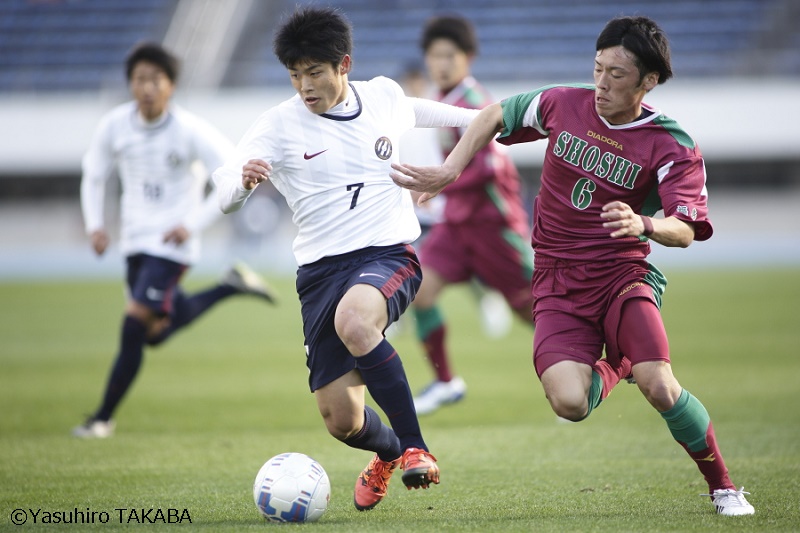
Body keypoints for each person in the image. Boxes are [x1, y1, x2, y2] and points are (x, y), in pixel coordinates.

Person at [391, 15, 755, 516]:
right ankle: (618, 360)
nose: (602, 84)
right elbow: (496, 113)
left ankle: (724, 487)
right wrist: (451, 169)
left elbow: (686, 228)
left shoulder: (671, 143)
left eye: (617, 75)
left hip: (622, 276)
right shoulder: (564, 102)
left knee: (658, 384)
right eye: (598, 68)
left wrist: (645, 225)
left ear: (648, 82)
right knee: (570, 403)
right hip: (557, 280)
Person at [212, 7, 479, 512]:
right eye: (294, 75)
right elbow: (223, 185)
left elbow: (447, 115)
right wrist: (241, 185)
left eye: (314, 72)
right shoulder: (278, 125)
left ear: (344, 65)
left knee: (356, 321)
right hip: (319, 274)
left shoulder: (382, 97)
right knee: (342, 420)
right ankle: (391, 452)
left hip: (388, 253)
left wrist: (507, 119)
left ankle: (418, 447)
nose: (303, 86)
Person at [73, 43, 276, 439]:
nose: (146, 87)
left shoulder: (189, 130)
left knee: (134, 325)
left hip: (172, 247)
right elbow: (94, 174)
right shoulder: (115, 125)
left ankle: (101, 418)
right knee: (154, 333)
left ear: (171, 85)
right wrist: (95, 224)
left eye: (155, 79)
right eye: (139, 79)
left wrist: (192, 224)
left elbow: (231, 169)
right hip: (135, 243)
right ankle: (228, 286)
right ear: (130, 83)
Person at [410, 15, 534, 416]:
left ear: (468, 58)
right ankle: (446, 382)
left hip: (492, 225)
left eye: (449, 55)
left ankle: (601, 356)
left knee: (531, 309)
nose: (440, 63)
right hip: (457, 224)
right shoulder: (443, 100)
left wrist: (440, 183)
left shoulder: (475, 102)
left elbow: (492, 168)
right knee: (420, 290)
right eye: (434, 56)